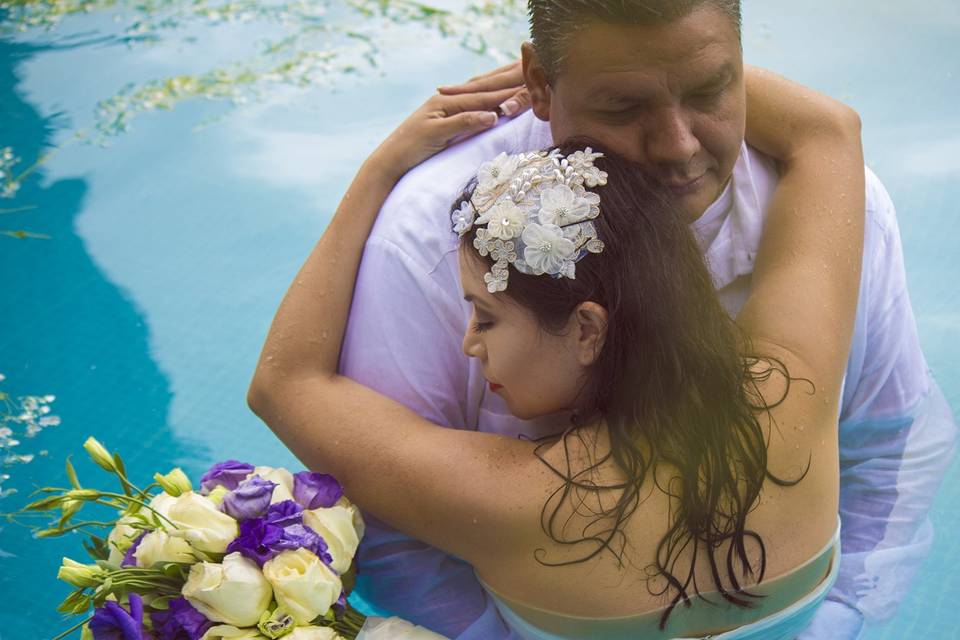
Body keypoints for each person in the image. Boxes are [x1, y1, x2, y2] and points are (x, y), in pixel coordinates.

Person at [325, 2, 957, 638]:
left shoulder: (842, 208)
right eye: (623, 108)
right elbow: (389, 534)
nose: (679, 147)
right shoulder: (428, 242)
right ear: (539, 86)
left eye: (712, 89)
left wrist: (837, 622)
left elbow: (890, 445)